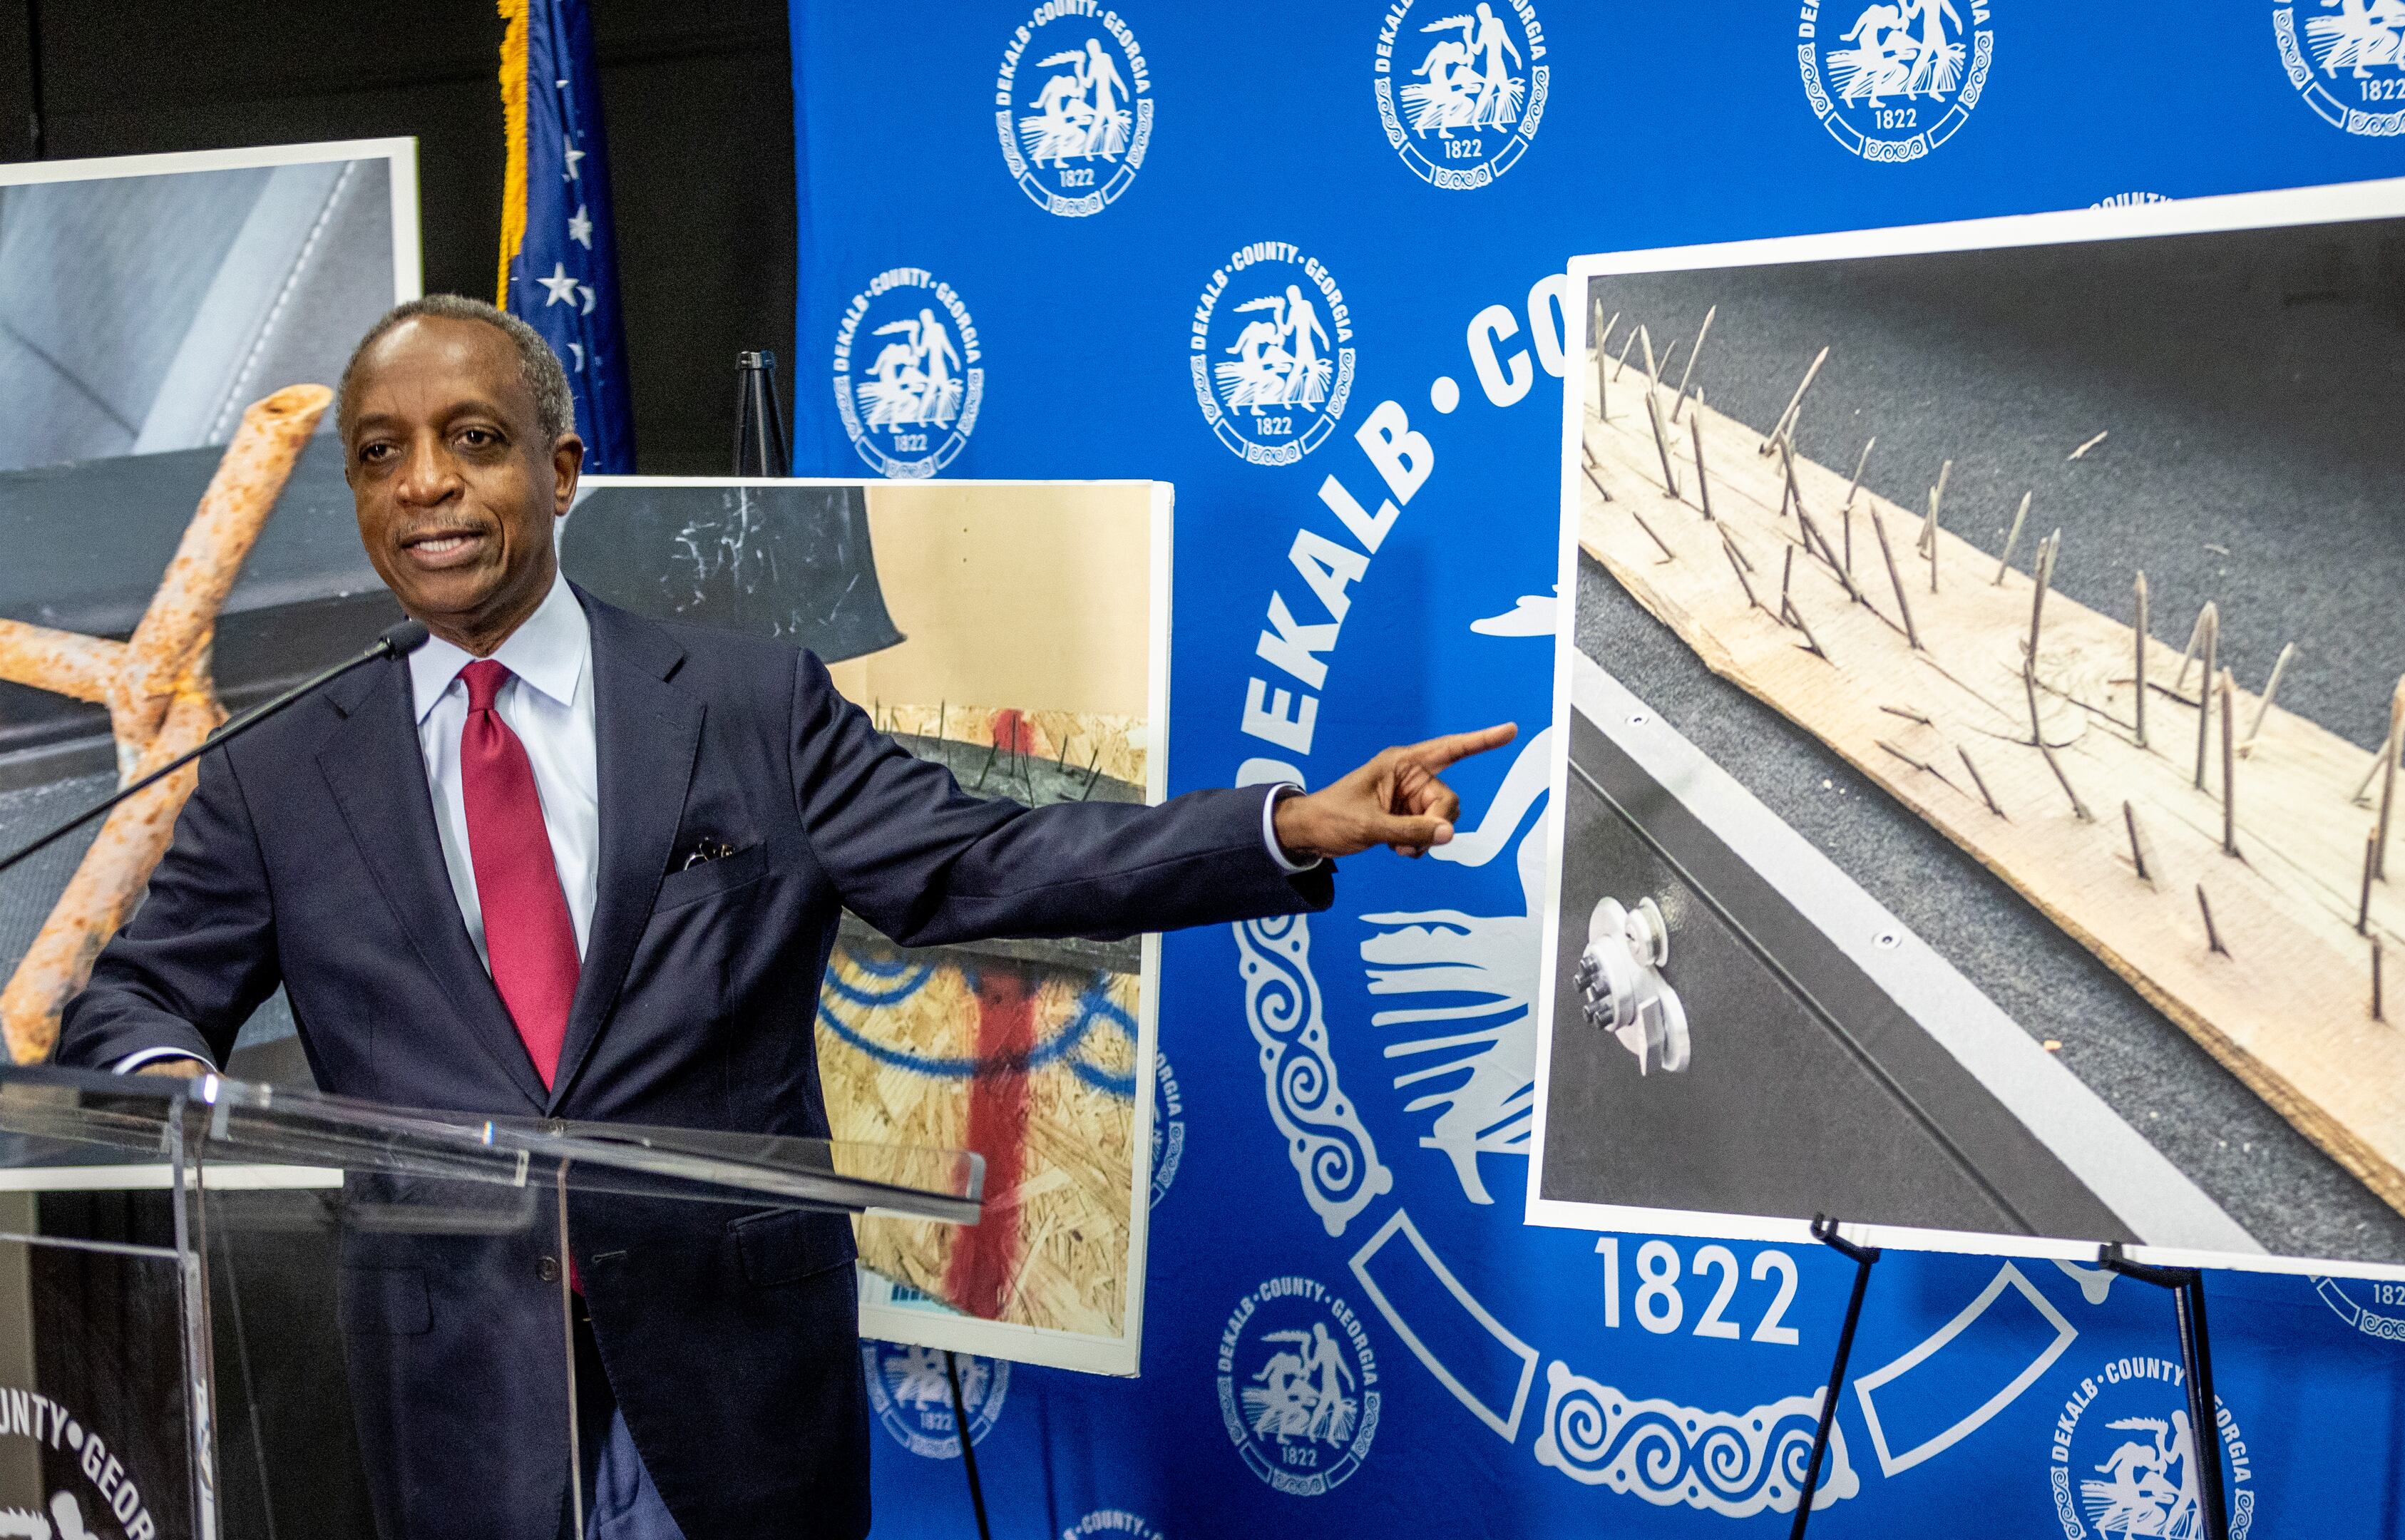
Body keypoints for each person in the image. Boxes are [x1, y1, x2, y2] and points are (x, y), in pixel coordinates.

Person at [53, 294, 1515, 1540]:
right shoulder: (279, 766)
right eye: (382, 454)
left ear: (560, 471)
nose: (425, 484)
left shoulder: (746, 702)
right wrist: (180, 1088)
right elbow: (132, 998)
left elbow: (986, 860)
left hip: (733, 1386)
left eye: (472, 440)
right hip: (453, 1405)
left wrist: (1283, 825)